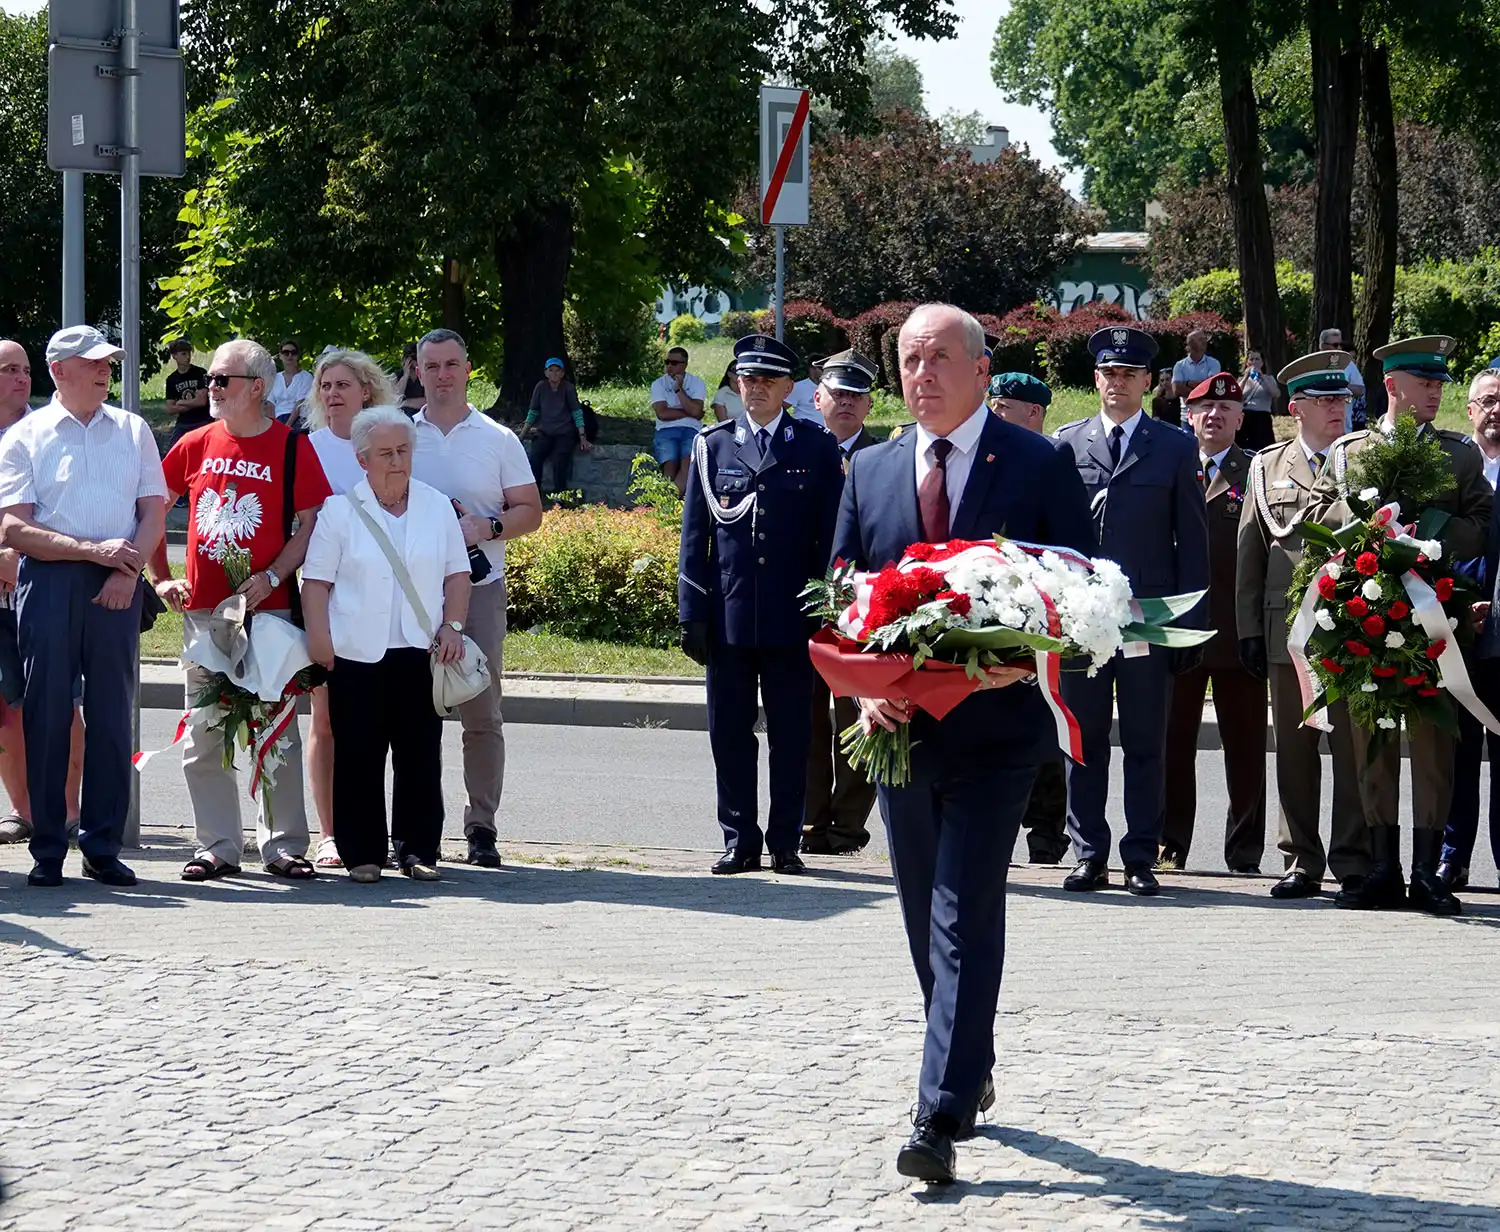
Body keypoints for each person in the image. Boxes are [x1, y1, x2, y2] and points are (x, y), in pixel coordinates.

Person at [831, 304, 1093, 1182]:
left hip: (997, 733)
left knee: (962, 912)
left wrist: (1022, 663)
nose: (923, 374)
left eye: (941, 357)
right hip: (900, 737)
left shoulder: (1034, 461)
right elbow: (838, 595)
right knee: (920, 916)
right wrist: (868, 695)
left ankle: (936, 1114)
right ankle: (968, 1061)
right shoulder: (868, 468)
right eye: (909, 359)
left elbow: (1077, 588)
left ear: (982, 370)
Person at [1308, 334, 1492, 916]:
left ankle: (1428, 872)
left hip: (1436, 617)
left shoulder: (1458, 455)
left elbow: (1484, 523)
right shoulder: (1349, 452)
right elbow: (1322, 517)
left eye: (1440, 383)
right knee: (1371, 741)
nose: (1438, 391)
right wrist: (1370, 529)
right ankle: (1382, 867)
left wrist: (1427, 528)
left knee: (1436, 745)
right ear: (1391, 386)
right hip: (1366, 615)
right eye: (1426, 383)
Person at [147, 339, 333, 881]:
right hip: (206, 615)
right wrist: (161, 577)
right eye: (210, 379)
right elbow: (152, 510)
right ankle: (218, 846)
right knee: (205, 732)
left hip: (270, 613)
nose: (211, 387)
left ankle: (283, 846)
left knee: (275, 731)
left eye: (221, 380)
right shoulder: (196, 442)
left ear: (256, 387)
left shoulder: (293, 447)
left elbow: (309, 526)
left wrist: (273, 575)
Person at [0, 325, 167, 887]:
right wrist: (91, 552)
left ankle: (101, 844)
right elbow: (14, 528)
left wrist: (126, 570)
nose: (105, 370)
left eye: (108, 361)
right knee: (47, 716)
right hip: (49, 582)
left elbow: (152, 513)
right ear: (59, 372)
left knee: (114, 717)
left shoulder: (133, 428)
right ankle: (48, 848)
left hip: (118, 578)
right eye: (92, 362)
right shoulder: (26, 435)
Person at [1053, 326, 1211, 896]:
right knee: (1084, 739)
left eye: (1129, 375)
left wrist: (1189, 627)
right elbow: (1051, 541)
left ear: (1148, 381)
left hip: (1149, 619)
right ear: (1096, 379)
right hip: (1082, 622)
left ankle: (1141, 855)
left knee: (1147, 739)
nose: (1117, 383)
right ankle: (1088, 851)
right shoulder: (1066, 444)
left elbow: (1191, 541)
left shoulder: (1173, 446)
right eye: (1108, 374)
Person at [678, 333, 843, 876]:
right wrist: (691, 613)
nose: (756, 389)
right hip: (728, 617)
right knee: (729, 732)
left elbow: (829, 542)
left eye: (768, 380)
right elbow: (694, 540)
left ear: (789, 388)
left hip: (793, 619)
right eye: (747, 379)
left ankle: (785, 840)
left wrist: (827, 614)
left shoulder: (815, 447)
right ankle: (739, 838)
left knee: (793, 735)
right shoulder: (713, 445)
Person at [302, 407, 471, 883]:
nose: (397, 461)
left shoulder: (437, 506)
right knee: (358, 753)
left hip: (421, 651)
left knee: (420, 753)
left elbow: (458, 574)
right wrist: (320, 640)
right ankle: (363, 853)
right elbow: (315, 584)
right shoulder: (339, 511)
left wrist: (452, 626)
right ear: (362, 460)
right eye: (385, 453)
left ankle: (418, 850)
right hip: (355, 653)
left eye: (403, 451)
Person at [1238, 351, 1370, 900]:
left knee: (1353, 749)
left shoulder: (1364, 461)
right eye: (1324, 400)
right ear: (1296, 408)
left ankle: (1354, 859)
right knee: (1294, 749)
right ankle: (1300, 859)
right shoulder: (1267, 465)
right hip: (1285, 631)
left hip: (1354, 627)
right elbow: (1251, 552)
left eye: (1341, 398)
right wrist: (1247, 628)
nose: (1337, 408)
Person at [411, 328, 542, 867]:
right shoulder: (399, 433)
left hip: (481, 589)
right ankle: (417, 830)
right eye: (432, 365)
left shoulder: (498, 438)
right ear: (418, 372)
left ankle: (481, 827)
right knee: (412, 718)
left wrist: (483, 526)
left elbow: (530, 513)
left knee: (481, 713)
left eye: (452, 364)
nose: (443, 375)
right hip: (411, 598)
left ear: (469, 369)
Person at [1158, 373, 1267, 873]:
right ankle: (1170, 844)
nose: (1215, 417)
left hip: (1237, 632)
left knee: (1245, 749)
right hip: (1178, 632)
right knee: (1172, 745)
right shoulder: (1172, 467)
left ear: (1242, 419)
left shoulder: (1260, 472)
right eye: (1205, 409)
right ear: (1190, 416)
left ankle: (1244, 853)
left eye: (1227, 409)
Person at [301, 348, 398, 868]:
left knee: (386, 725)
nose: (333, 394)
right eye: (326, 385)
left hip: (385, 601)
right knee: (326, 719)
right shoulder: (306, 449)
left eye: (344, 384)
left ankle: (380, 831)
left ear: (367, 391)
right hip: (325, 598)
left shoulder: (388, 443)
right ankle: (330, 833)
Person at [984, 371, 1070, 865]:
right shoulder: (988, 456)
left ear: (1033, 413)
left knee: (1046, 721)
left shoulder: (1051, 457)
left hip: (1041, 608)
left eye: (1004, 405)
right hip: (991, 604)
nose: (994, 412)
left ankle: (1046, 833)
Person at [0, 342, 83, 848]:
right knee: (8, 706)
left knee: (64, 704)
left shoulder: (48, 431)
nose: (20, 378)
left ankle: (71, 811)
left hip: (46, 586)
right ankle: (23, 811)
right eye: (8, 369)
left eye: (25, 369)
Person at [802, 349, 880, 856]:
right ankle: (809, 821)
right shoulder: (798, 451)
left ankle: (848, 825)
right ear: (817, 398)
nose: (846, 403)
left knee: (862, 716)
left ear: (870, 404)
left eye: (856, 395)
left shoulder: (887, 458)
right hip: (807, 604)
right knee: (805, 717)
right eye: (837, 393)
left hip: (869, 605)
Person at [1438, 366, 1500, 890]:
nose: (1495, 409)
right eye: (1487, 400)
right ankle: (1450, 858)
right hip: (1453, 633)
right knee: (1453, 757)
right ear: (1471, 409)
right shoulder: (1449, 467)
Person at [522, 358, 591, 497]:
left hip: (564, 433)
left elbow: (577, 413)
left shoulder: (568, 388)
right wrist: (522, 435)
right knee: (535, 458)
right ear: (546, 373)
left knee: (559, 460)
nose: (554, 373)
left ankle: (559, 497)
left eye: (557, 370)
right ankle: (534, 496)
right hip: (545, 433)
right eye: (550, 370)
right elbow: (533, 412)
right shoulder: (541, 387)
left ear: (562, 373)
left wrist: (582, 437)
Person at [650, 346, 706, 495]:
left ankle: (672, 500)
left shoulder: (697, 383)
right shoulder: (658, 384)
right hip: (665, 429)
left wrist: (678, 390)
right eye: (667, 362)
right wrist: (690, 412)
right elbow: (662, 413)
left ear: (685, 364)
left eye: (674, 363)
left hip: (691, 429)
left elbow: (695, 411)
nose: (669, 366)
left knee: (688, 463)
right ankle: (671, 502)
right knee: (669, 465)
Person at [163, 338, 211, 447]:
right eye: (184, 354)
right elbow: (170, 408)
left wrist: (181, 402)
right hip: (183, 422)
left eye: (189, 353)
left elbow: (202, 401)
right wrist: (192, 403)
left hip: (202, 420)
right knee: (173, 448)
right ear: (174, 356)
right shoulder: (171, 379)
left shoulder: (200, 373)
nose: (188, 357)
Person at [1318, 328, 1367, 430]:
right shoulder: (1311, 365)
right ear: (1322, 346)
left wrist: (1343, 385)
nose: (1339, 348)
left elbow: (1360, 390)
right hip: (1318, 430)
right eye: (1335, 345)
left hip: (1343, 429)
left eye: (1341, 345)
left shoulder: (1348, 364)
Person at [1238, 347, 1279, 451]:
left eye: (1257, 359)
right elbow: (1236, 395)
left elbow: (1276, 394)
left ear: (1262, 362)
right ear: (1247, 362)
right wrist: (1245, 377)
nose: (1254, 362)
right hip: (1245, 417)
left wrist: (1262, 377)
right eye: (1251, 359)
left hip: (1262, 418)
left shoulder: (1269, 378)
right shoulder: (1241, 380)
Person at [269, 339, 314, 424]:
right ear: (280, 356)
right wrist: (273, 426)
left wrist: (286, 427)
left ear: (297, 356)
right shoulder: (275, 378)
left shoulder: (306, 377)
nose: (290, 355)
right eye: (286, 352)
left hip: (298, 420)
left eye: (293, 352)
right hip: (278, 419)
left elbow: (299, 405)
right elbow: (270, 404)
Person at [1170, 330, 1221, 399]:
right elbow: (1177, 390)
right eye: (1200, 339)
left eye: (1204, 339)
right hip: (1187, 409)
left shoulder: (1214, 363)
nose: (1204, 342)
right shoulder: (1179, 366)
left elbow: (1211, 387)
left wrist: (1187, 384)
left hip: (1207, 408)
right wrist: (1202, 387)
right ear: (1191, 344)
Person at [787, 357, 824, 422]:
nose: (824, 371)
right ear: (811, 369)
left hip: (824, 431)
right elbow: (780, 408)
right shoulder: (798, 387)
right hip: (803, 430)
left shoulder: (828, 388)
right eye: (821, 368)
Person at [393, 342, 426, 414]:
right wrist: (405, 375)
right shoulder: (396, 376)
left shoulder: (426, 375)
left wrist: (404, 402)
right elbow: (394, 399)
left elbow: (428, 401)